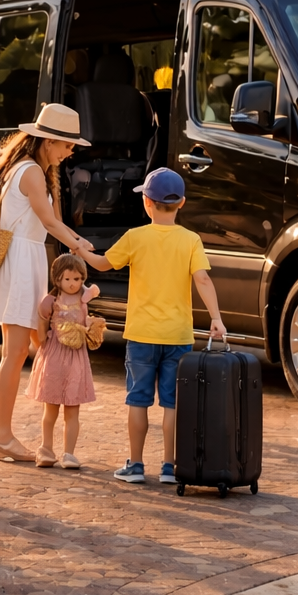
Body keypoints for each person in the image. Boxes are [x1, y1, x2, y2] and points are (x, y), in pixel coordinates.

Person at [75, 167, 227, 485]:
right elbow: (202, 278)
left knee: (138, 399)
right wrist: (216, 317)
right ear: (181, 203)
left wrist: (80, 249)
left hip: (142, 335)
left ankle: (136, 465)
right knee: (172, 403)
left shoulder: (136, 238)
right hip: (178, 335)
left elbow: (103, 263)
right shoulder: (191, 240)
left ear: (147, 202)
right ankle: (170, 467)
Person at [0, 103, 97, 463]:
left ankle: (11, 435)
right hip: (19, 263)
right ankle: (2, 436)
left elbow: (49, 222)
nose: (69, 153)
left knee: (31, 346)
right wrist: (81, 246)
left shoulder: (29, 170)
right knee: (13, 354)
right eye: (67, 146)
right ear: (48, 141)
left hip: (25, 261)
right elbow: (49, 222)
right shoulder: (31, 173)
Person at [26, 252, 104, 469]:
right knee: (50, 408)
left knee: (72, 409)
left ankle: (69, 453)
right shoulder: (51, 300)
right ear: (57, 279)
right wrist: (41, 342)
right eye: (67, 279)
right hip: (54, 355)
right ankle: (46, 449)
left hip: (76, 357)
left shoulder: (83, 297)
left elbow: (94, 292)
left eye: (77, 279)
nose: (72, 284)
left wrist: (91, 326)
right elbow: (41, 323)